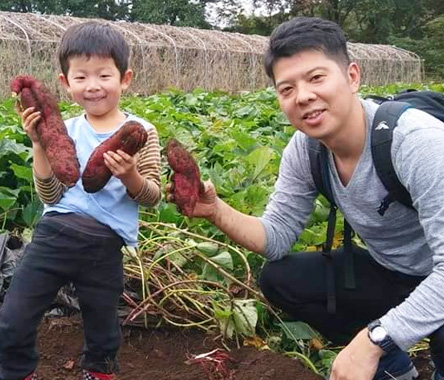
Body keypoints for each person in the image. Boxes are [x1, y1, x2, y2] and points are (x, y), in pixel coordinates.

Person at [167, 17, 444, 380]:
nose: (303, 96)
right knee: (283, 278)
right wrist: (216, 210)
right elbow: (278, 236)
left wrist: (374, 339)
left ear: (352, 77)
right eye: (287, 89)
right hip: (391, 271)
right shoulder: (307, 149)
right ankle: (394, 368)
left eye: (316, 78)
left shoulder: (418, 143)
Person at [0, 21, 161, 380]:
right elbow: (51, 194)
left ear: (125, 78)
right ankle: (17, 373)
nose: (93, 86)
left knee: (103, 332)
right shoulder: (64, 130)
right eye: (81, 78)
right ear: (65, 83)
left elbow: (153, 198)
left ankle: (97, 373)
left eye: (104, 75)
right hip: (54, 236)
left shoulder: (141, 132)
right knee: (13, 320)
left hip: (104, 245)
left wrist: (129, 175)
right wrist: (39, 143)